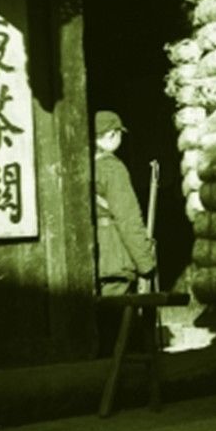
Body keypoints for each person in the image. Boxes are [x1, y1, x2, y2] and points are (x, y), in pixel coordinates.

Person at [94, 110, 156, 296]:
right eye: (119, 134)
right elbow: (128, 219)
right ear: (111, 134)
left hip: (89, 259)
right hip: (112, 260)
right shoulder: (112, 168)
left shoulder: (79, 165)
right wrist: (145, 263)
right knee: (116, 313)